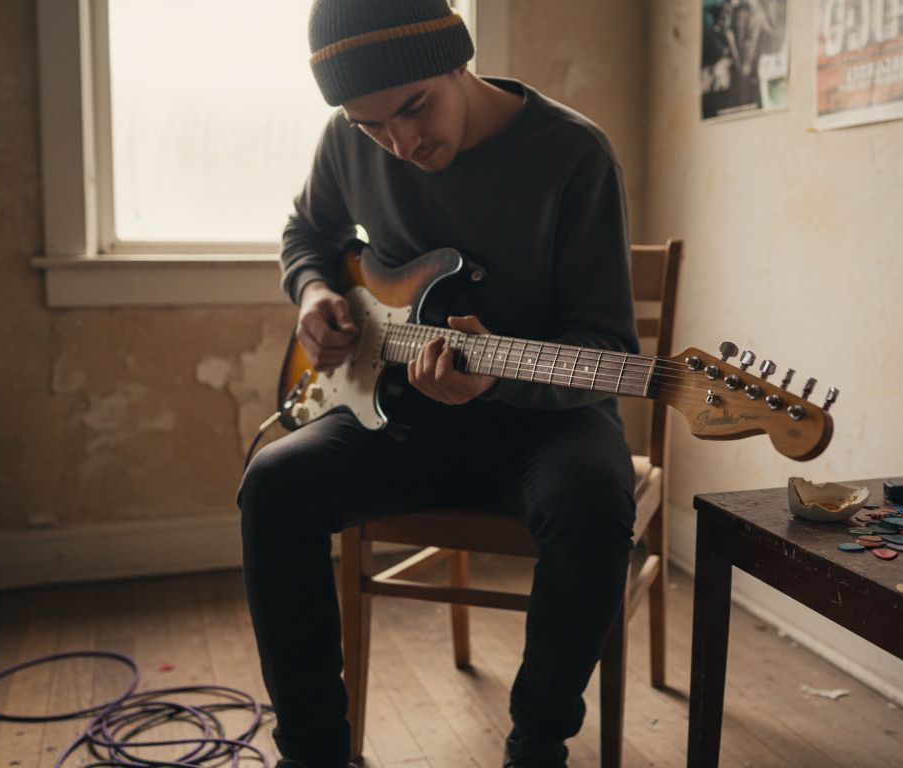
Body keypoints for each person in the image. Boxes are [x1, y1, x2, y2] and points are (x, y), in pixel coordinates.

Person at [237, 1, 640, 767]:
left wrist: (497, 381)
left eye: (414, 107)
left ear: (459, 58)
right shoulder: (347, 145)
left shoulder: (574, 156)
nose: (402, 143)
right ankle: (314, 753)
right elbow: (307, 234)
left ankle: (537, 747)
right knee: (272, 483)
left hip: (546, 420)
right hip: (402, 411)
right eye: (372, 126)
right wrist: (314, 293)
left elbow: (608, 345)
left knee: (591, 498)